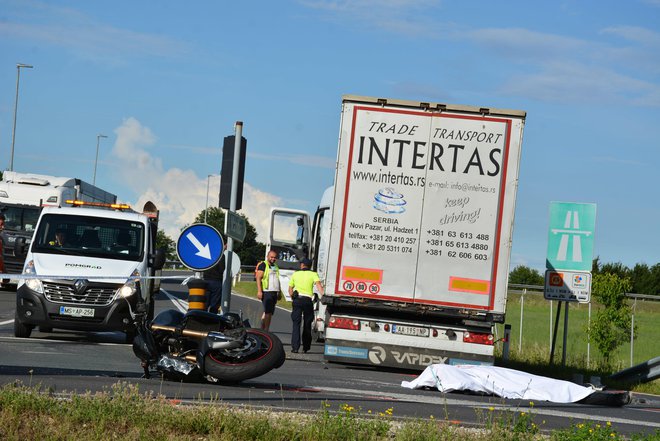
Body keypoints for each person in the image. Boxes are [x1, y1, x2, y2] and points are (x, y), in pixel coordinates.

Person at [288, 257, 323, 354]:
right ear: (310, 265)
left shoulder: (296, 274)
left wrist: (292, 297)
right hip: (308, 301)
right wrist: (324, 296)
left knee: (296, 324)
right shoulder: (313, 274)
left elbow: (290, 288)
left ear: (302, 265)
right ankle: (306, 347)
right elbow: (319, 286)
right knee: (307, 324)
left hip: (297, 300)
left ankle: (295, 347)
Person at [255, 250, 281, 331]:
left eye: (275, 257)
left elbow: (278, 279)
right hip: (266, 291)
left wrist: (279, 292)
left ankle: (262, 330)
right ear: (267, 257)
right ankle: (266, 330)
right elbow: (258, 278)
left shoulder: (275, 266)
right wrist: (259, 291)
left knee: (268, 312)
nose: (273, 259)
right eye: (271, 257)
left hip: (274, 292)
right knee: (268, 312)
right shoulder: (263, 265)